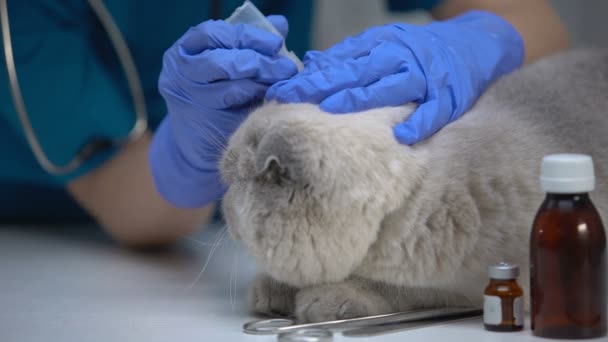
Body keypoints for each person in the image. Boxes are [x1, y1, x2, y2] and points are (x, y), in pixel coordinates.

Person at [0, 0, 568, 247]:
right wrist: (187, 156)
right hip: (62, 229)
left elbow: (544, 29)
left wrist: (477, 43)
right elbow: (142, 215)